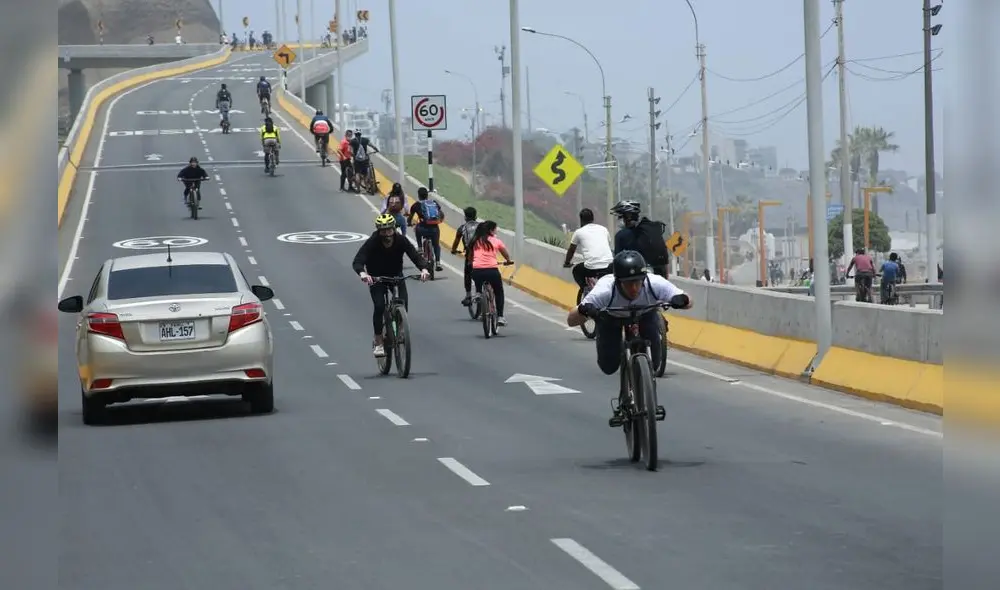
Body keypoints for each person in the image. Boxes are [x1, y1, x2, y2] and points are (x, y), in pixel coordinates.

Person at [567, 250, 692, 422]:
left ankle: (644, 388)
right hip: (612, 317)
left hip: (645, 315)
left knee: (655, 364)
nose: (634, 288)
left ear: (644, 279)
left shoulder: (654, 284)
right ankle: (625, 395)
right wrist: (583, 310)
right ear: (617, 282)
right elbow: (571, 320)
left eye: (637, 282)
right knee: (608, 366)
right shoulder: (605, 290)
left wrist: (682, 300)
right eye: (628, 284)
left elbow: (687, 299)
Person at [352, 213, 430, 357]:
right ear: (379, 231)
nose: (387, 233)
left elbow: (414, 255)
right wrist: (363, 274)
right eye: (383, 230)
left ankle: (400, 330)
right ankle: (379, 341)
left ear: (394, 228)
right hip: (376, 278)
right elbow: (358, 260)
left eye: (389, 230)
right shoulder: (373, 241)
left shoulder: (401, 240)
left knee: (403, 303)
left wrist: (424, 269)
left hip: (396, 275)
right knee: (380, 306)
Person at [469, 221, 513, 326]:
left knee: (477, 278)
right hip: (492, 271)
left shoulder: (475, 241)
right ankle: (500, 317)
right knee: (499, 292)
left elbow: (470, 257)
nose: (496, 230)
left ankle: (479, 293)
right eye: (495, 229)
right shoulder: (496, 241)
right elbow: (505, 253)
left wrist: (473, 262)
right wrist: (508, 260)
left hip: (477, 271)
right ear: (491, 230)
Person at [610, 200, 670, 277]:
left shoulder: (621, 235)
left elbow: (617, 261)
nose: (620, 219)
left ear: (628, 217)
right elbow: (664, 259)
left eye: (621, 216)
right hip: (659, 273)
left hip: (635, 276)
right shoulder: (652, 230)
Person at [563, 208, 614, 292]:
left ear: (581, 220)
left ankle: (586, 290)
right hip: (609, 265)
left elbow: (571, 250)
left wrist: (567, 263)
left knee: (576, 270)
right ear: (593, 219)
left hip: (592, 267)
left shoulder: (579, 232)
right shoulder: (604, 229)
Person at [408, 187, 445, 272]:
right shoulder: (434, 203)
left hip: (422, 229)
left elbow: (410, 218)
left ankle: (420, 247)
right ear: (427, 195)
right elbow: (439, 213)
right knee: (436, 245)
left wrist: (409, 223)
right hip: (434, 229)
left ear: (418, 195)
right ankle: (438, 262)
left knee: (417, 228)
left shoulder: (416, 205)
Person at [450, 207, 479, 305]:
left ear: (465, 217)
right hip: (483, 254)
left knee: (468, 274)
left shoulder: (462, 228)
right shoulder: (482, 227)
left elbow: (456, 241)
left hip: (471, 255)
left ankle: (468, 295)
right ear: (476, 216)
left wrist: (453, 250)